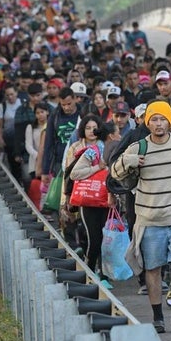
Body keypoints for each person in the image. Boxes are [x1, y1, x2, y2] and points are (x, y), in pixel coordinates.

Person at [110, 101, 171, 333]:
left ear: (170, 122)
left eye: (163, 119)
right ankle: (158, 316)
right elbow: (114, 173)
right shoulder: (138, 147)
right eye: (154, 119)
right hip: (149, 219)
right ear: (147, 122)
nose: (159, 124)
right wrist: (127, 161)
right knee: (154, 269)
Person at [67, 116, 114, 288]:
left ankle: (104, 275)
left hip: (108, 201)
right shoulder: (91, 151)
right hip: (90, 202)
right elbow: (74, 174)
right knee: (95, 238)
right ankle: (90, 269)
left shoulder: (114, 150)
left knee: (106, 238)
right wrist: (98, 167)